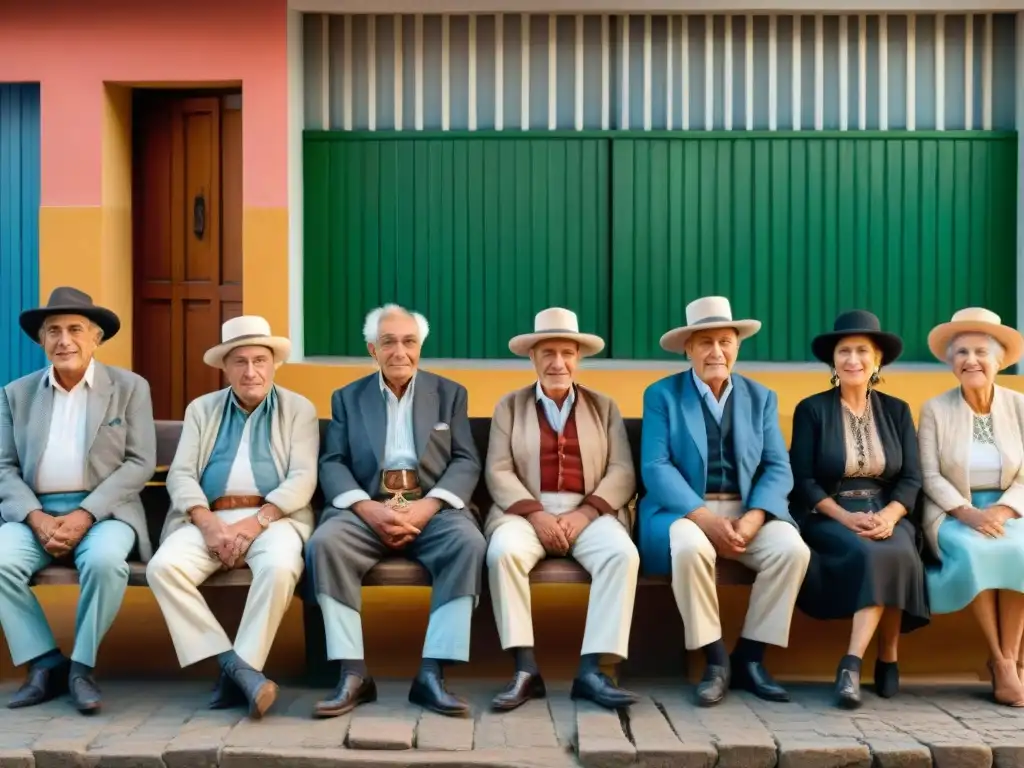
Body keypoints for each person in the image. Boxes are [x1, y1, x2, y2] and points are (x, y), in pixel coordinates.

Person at [306, 304, 486, 718]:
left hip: (432, 508)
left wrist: (428, 507)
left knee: (468, 543)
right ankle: (353, 673)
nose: (399, 351)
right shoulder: (348, 398)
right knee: (325, 544)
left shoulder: (449, 394)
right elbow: (332, 461)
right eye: (389, 342)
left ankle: (432, 674)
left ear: (420, 347)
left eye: (409, 342)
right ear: (373, 349)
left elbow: (465, 460)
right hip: (368, 509)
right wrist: (366, 508)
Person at [638, 296, 809, 707]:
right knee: (692, 548)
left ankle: (750, 657)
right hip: (683, 512)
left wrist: (753, 519)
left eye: (726, 342)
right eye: (705, 342)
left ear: (737, 347)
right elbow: (656, 466)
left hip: (745, 511)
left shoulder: (761, 397)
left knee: (791, 550)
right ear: (688, 349)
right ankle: (715, 659)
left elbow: (777, 465)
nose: (717, 352)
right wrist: (704, 519)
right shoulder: (662, 395)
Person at [146, 316, 319, 719]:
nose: (251, 371)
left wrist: (256, 521)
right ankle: (238, 668)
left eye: (260, 360)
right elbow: (182, 474)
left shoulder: (298, 409)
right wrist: (207, 523)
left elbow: (302, 478)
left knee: (279, 568)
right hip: (209, 517)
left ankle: (240, 669)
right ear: (225, 367)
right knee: (163, 568)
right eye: (239, 361)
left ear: (274, 363)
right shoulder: (202, 409)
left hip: (275, 517)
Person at [0, 287, 155, 713]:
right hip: (35, 514)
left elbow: (140, 462)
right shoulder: (17, 393)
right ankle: (45, 662)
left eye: (74, 329)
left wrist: (86, 514)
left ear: (96, 338)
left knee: (106, 562)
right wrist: (34, 516)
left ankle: (80, 668)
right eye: (53, 331)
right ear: (41, 340)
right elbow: (3, 467)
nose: (63, 340)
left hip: (104, 513)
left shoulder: (128, 387)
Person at [485, 308, 640, 711]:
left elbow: (622, 470)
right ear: (533, 358)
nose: (558, 362)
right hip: (524, 512)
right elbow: (498, 470)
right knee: (503, 554)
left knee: (621, 555)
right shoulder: (510, 406)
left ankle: (592, 670)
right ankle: (525, 669)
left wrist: (584, 514)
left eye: (567, 352)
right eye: (548, 353)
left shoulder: (604, 406)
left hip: (589, 511)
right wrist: (536, 515)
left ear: (578, 357)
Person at [790, 310, 928, 709]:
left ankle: (886, 655)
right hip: (831, 514)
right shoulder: (812, 409)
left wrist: (889, 516)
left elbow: (912, 478)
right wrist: (846, 517)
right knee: (870, 552)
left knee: (899, 549)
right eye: (844, 351)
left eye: (862, 351)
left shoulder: (898, 410)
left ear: (878, 360)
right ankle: (853, 664)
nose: (853, 360)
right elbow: (804, 480)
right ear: (832, 361)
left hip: (888, 511)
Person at [919, 308, 1024, 707]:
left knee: (1020, 549)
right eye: (961, 352)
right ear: (951, 363)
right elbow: (930, 477)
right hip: (953, 512)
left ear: (999, 361)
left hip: (1010, 509)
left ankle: (1010, 658)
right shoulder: (935, 409)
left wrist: (1003, 510)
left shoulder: (1019, 406)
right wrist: (967, 513)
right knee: (975, 549)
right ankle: (999, 660)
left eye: (981, 352)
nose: (971, 360)